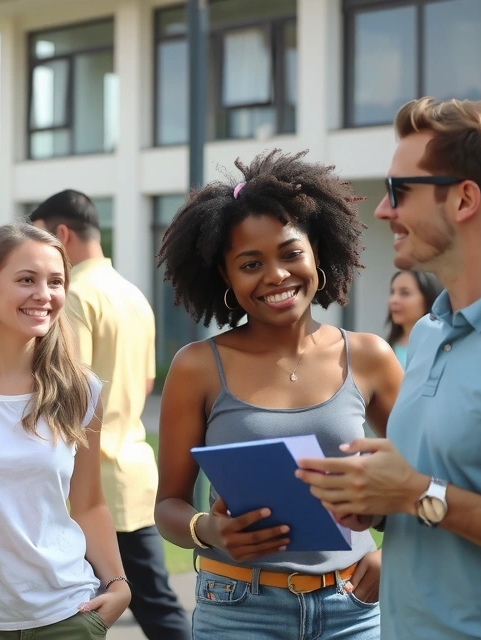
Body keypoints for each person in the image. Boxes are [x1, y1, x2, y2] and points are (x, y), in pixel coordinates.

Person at [297, 98, 481, 639]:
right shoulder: (431, 333)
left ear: (464, 199)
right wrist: (376, 502)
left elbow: (429, 494)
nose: (383, 211)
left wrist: (418, 495)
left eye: (399, 191)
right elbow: (441, 491)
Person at [154, 150, 403, 639]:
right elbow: (168, 507)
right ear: (225, 276)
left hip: (353, 610)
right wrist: (210, 530)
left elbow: (432, 474)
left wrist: (393, 550)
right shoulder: (196, 367)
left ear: (317, 252)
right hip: (237, 610)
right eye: (251, 264)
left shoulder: (370, 357)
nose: (276, 276)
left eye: (291, 254)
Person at [0, 223, 130, 639]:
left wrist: (118, 585)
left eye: (56, 282)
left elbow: (88, 504)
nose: (44, 294)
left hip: (68, 616)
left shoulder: (81, 390)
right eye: (27, 280)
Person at [28, 190, 192, 640]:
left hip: (89, 480)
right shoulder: (133, 294)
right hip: (132, 469)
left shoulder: (74, 296)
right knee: (154, 603)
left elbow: (66, 387)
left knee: (87, 612)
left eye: (42, 240)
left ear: (62, 234)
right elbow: (145, 382)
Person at [384, 270, 442, 367]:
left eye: (405, 293)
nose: (394, 300)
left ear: (428, 298)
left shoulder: (442, 347)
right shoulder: (385, 348)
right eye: (392, 292)